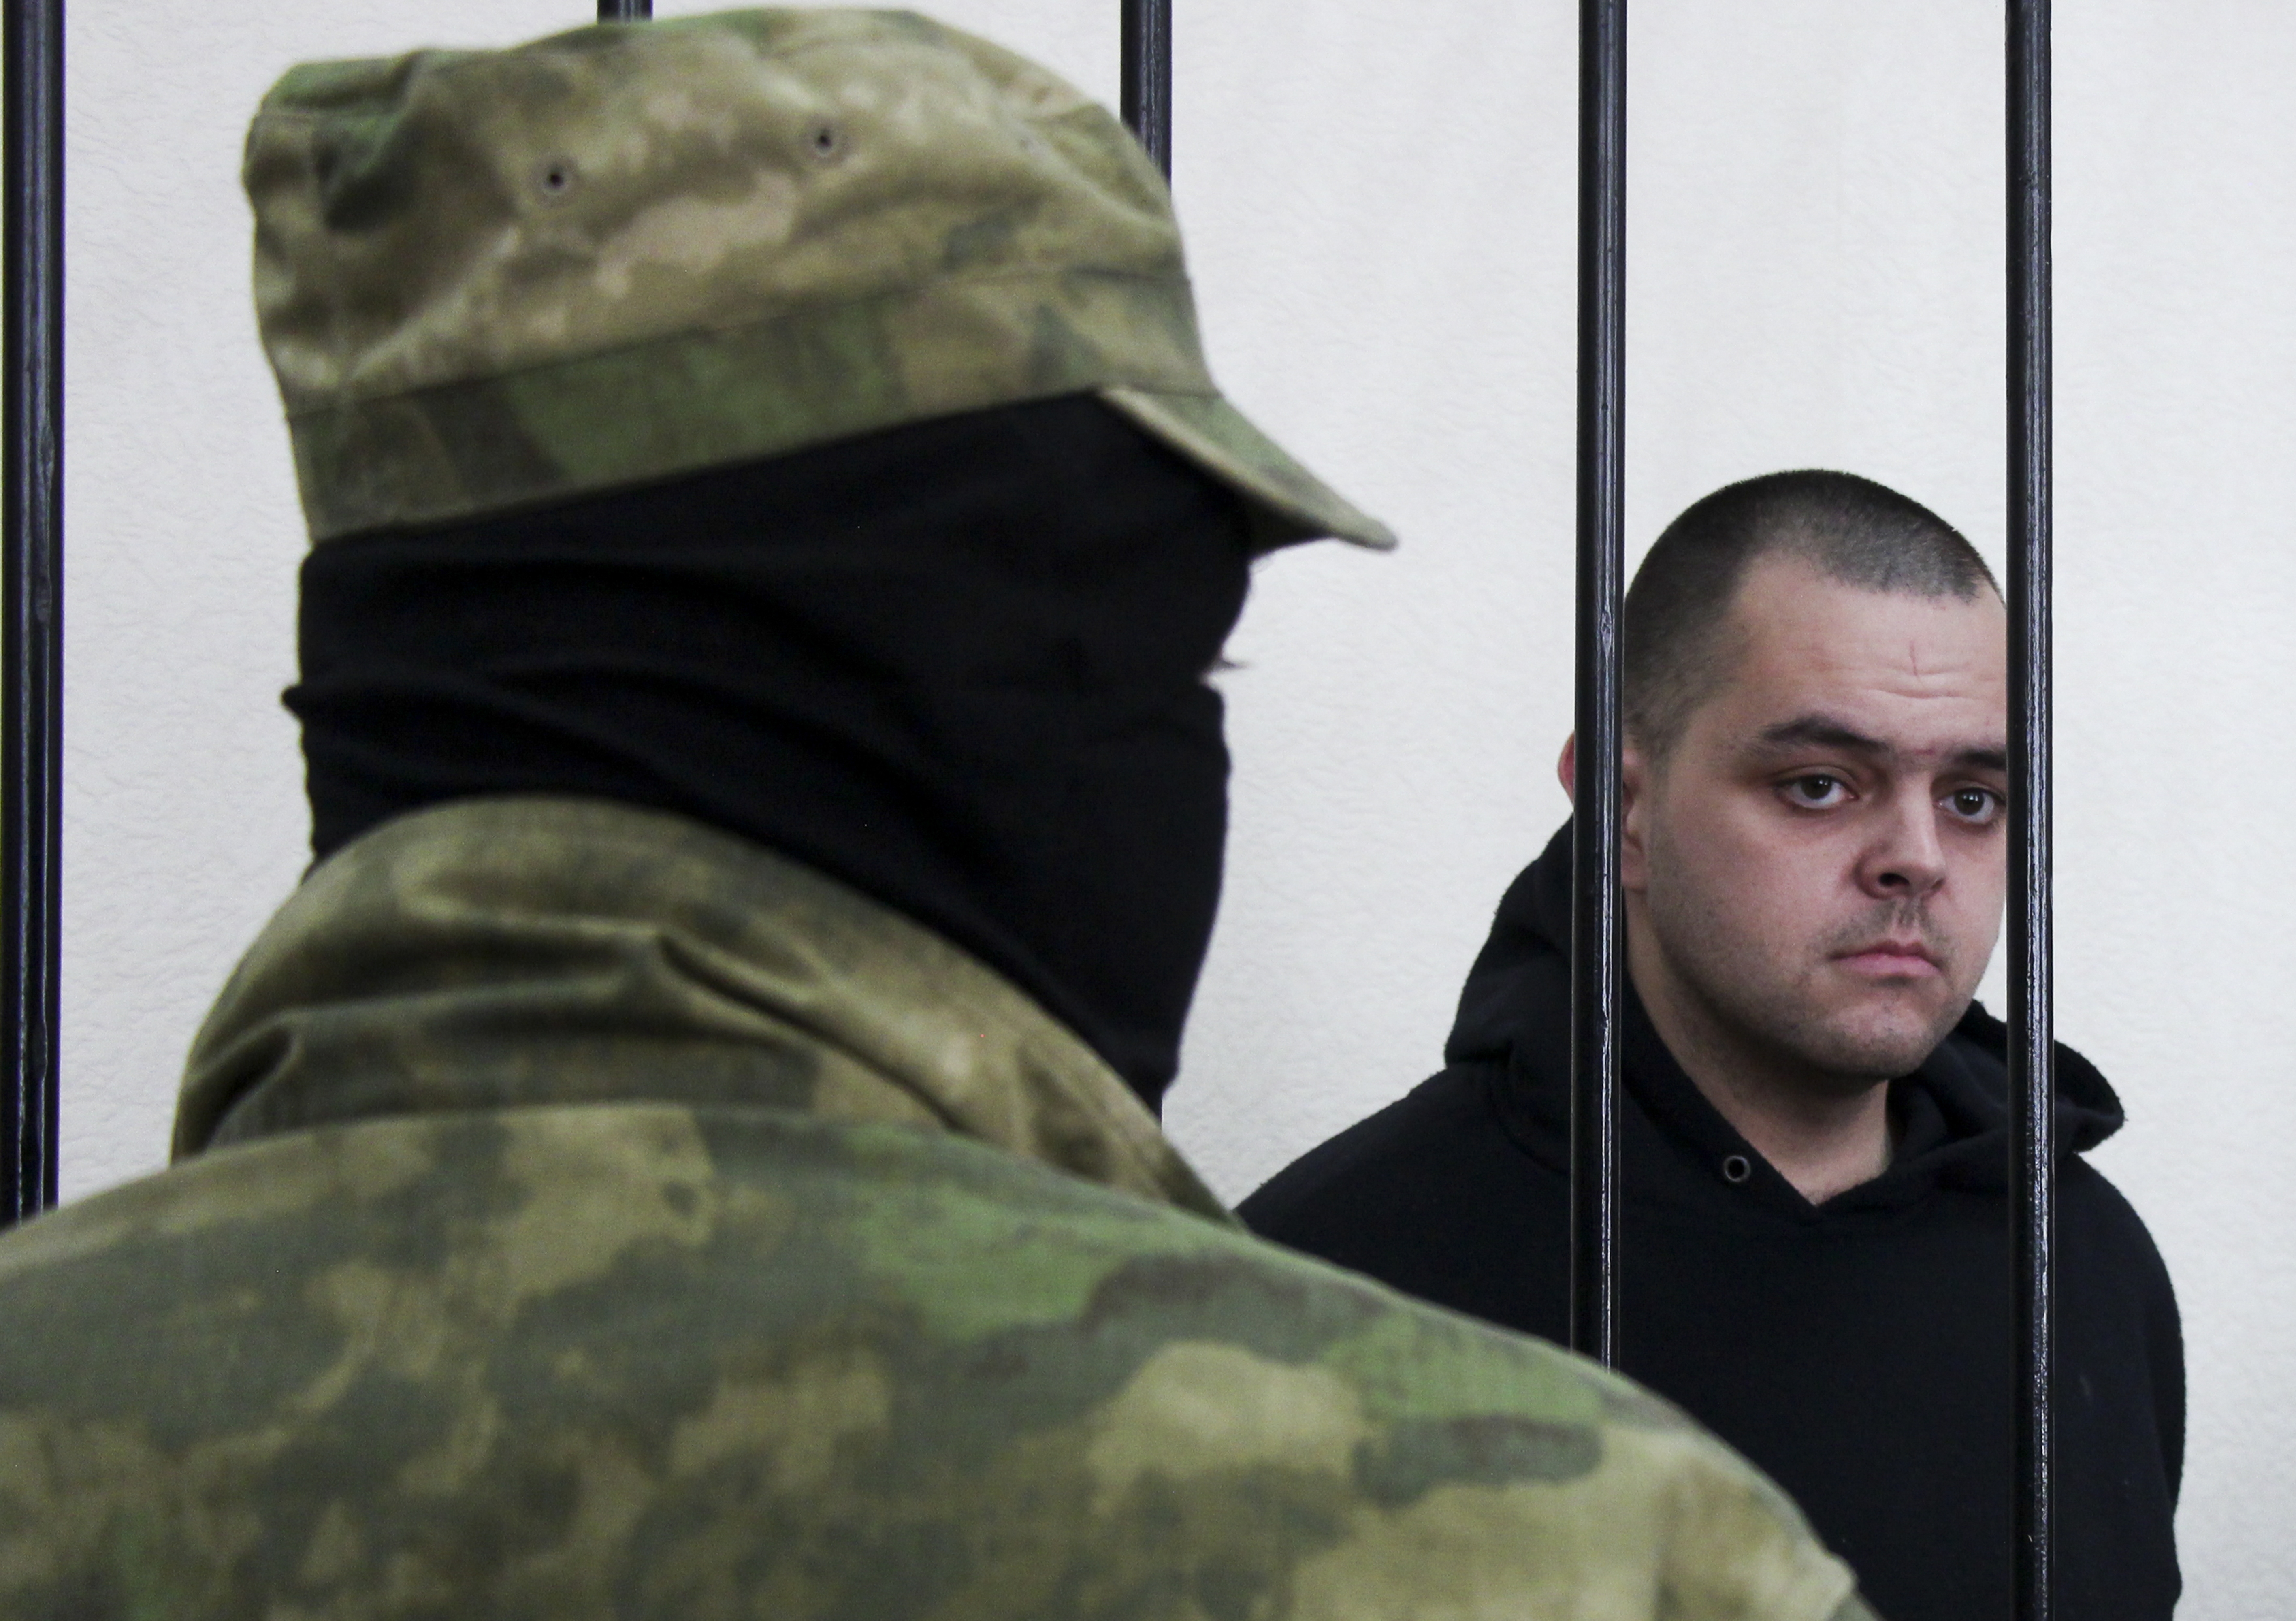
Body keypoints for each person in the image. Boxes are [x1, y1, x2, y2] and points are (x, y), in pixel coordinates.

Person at [0, 15, 1877, 1618]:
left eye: (1978, 792)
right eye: (1171, 676)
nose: (1912, 854)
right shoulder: (1529, 1544)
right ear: (981, 687)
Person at [1243, 472, 2183, 1621]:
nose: (1917, 856)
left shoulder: (2079, 1259)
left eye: (1975, 797)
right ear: (1621, 811)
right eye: (1821, 783)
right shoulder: (1328, 1282)